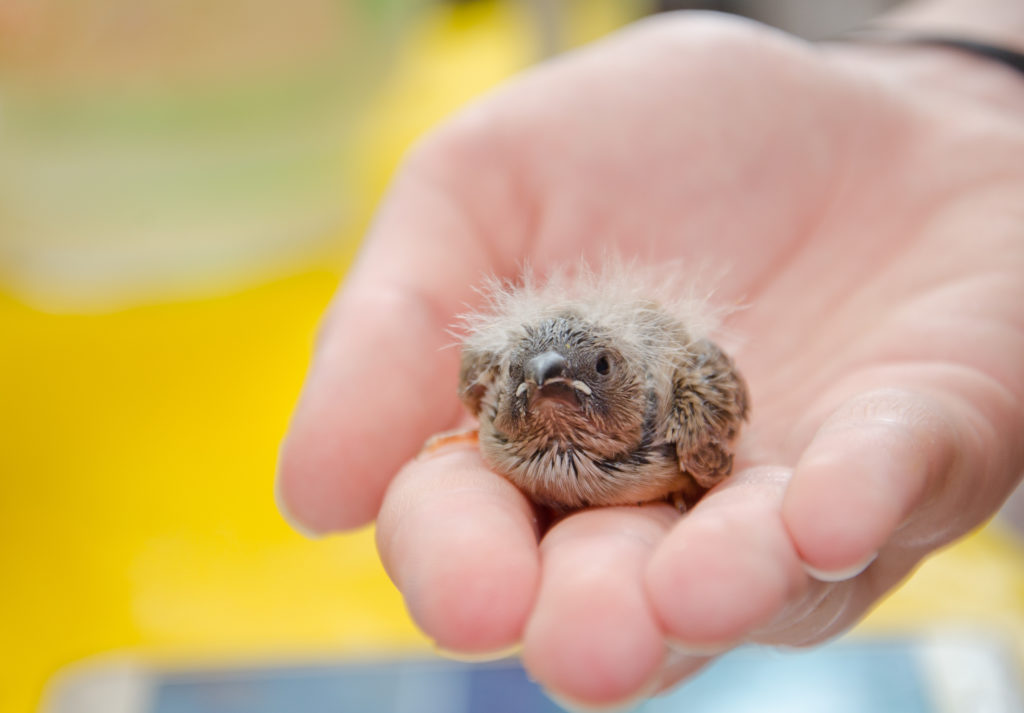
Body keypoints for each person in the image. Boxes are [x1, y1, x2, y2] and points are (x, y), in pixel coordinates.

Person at [277, 0, 1024, 706]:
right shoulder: (493, 379)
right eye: (530, 376)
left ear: (629, 380)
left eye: (589, 371)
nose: (550, 383)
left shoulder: (687, 407)